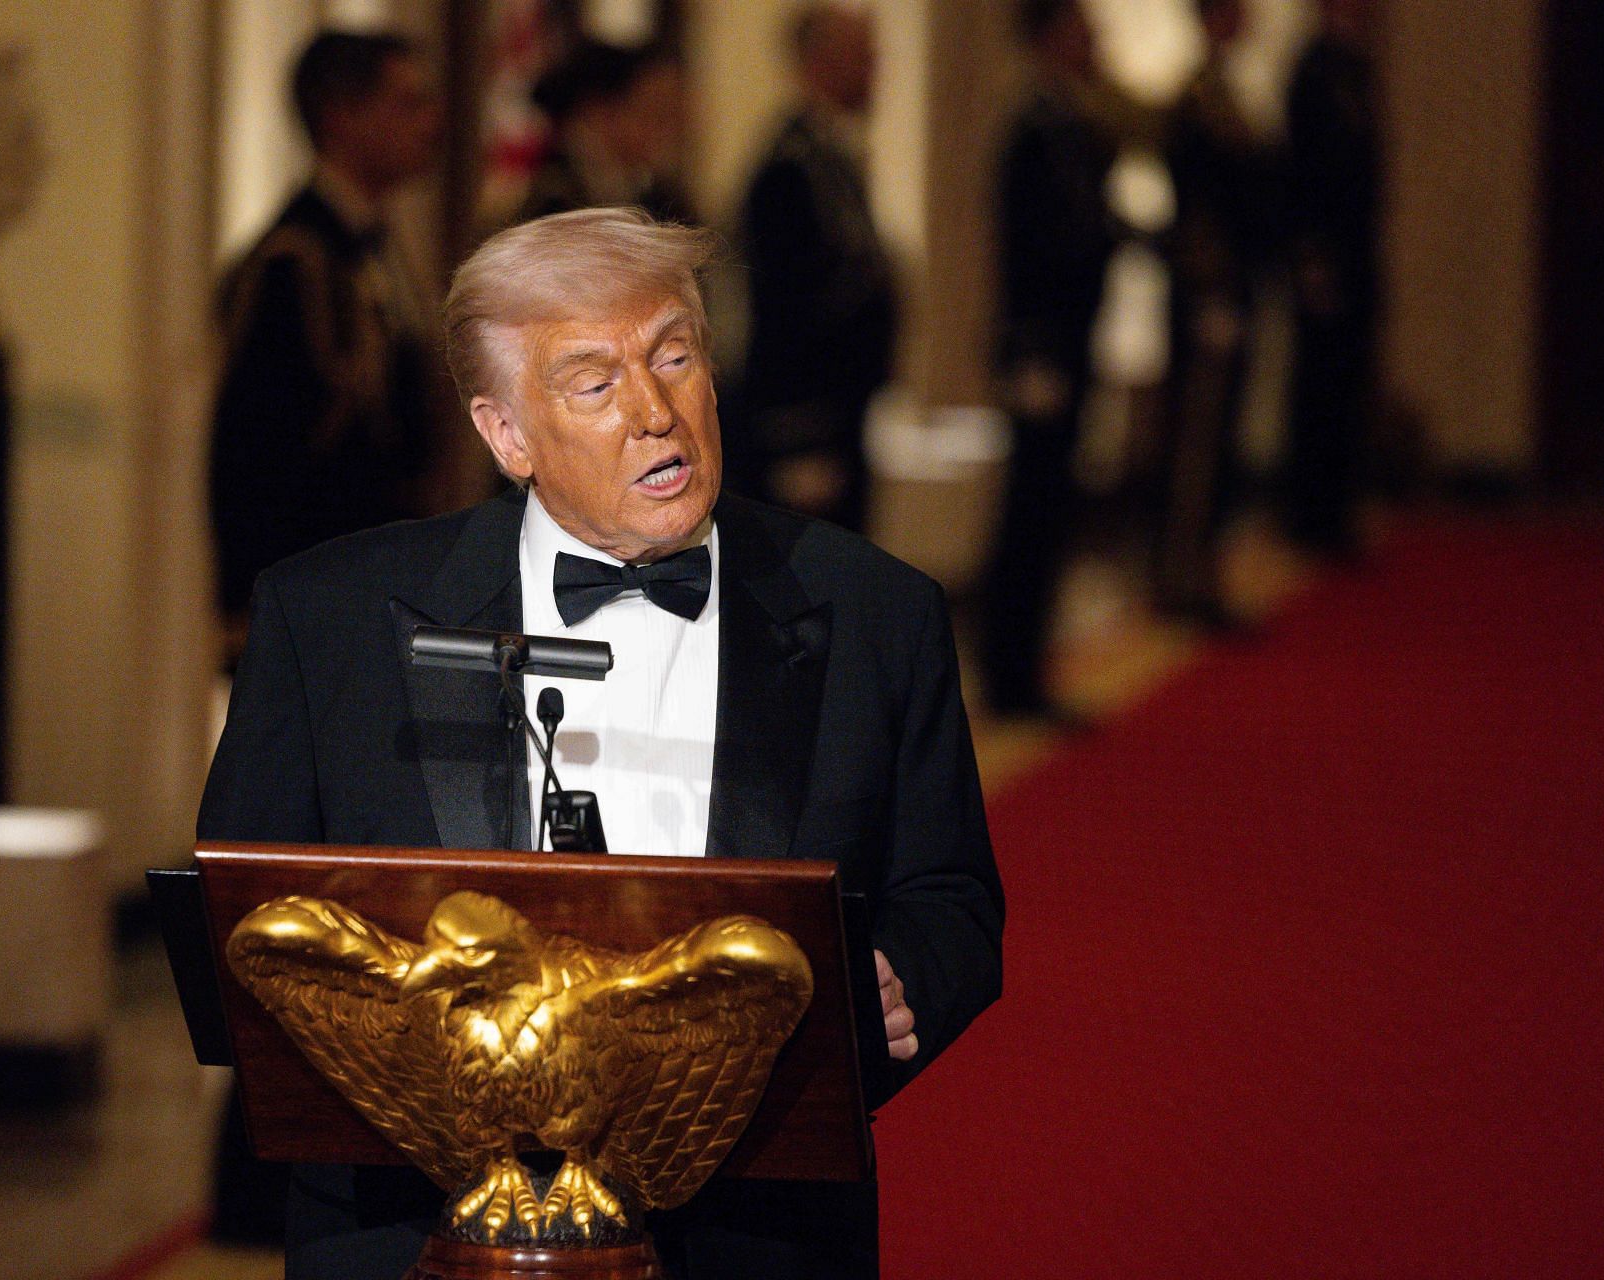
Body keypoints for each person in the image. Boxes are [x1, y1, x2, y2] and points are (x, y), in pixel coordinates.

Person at [199, 208, 1004, 1280]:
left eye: (675, 355)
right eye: (594, 381)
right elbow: (239, 922)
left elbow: (951, 894)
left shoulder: (874, 614)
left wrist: (901, 978)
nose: (654, 410)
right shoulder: (327, 621)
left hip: (753, 1235)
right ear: (506, 434)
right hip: (407, 1233)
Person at [209, 30, 444, 668]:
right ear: (341, 116)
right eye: (407, 103)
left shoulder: (378, 246)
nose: (430, 122)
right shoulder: (294, 262)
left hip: (375, 584)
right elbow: (254, 455)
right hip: (318, 594)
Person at [978, 0, 1118, 721]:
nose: (1096, 43)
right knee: (1028, 512)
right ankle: (1011, 675)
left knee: (1049, 506)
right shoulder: (1031, 128)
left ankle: (1029, 665)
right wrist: (1029, 354)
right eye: (1082, 31)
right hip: (1043, 351)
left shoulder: (1072, 121)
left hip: (1070, 346)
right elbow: (1027, 251)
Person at [735, 2, 896, 534]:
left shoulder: (828, 155)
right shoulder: (790, 166)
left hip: (845, 412)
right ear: (819, 62)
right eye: (863, 56)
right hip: (810, 421)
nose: (877, 69)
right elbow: (786, 310)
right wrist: (799, 436)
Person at [1150, 0, 1273, 628]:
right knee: (1197, 446)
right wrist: (1212, 291)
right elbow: (1198, 206)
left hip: (1230, 290)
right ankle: (1182, 576)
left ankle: (1204, 571)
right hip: (1208, 294)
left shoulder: (1229, 91)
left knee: (1220, 442)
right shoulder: (1199, 97)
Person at [1280, 0, 1380, 560]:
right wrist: (1310, 256)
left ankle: (1335, 507)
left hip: (1355, 249)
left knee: (1344, 383)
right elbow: (1305, 175)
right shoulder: (1312, 71)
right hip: (1324, 255)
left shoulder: (1355, 70)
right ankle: (1310, 514)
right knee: (1317, 384)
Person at [517, 39, 698, 226]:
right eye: (655, 114)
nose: (669, 132)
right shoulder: (555, 197)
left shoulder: (660, 198)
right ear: (600, 114)